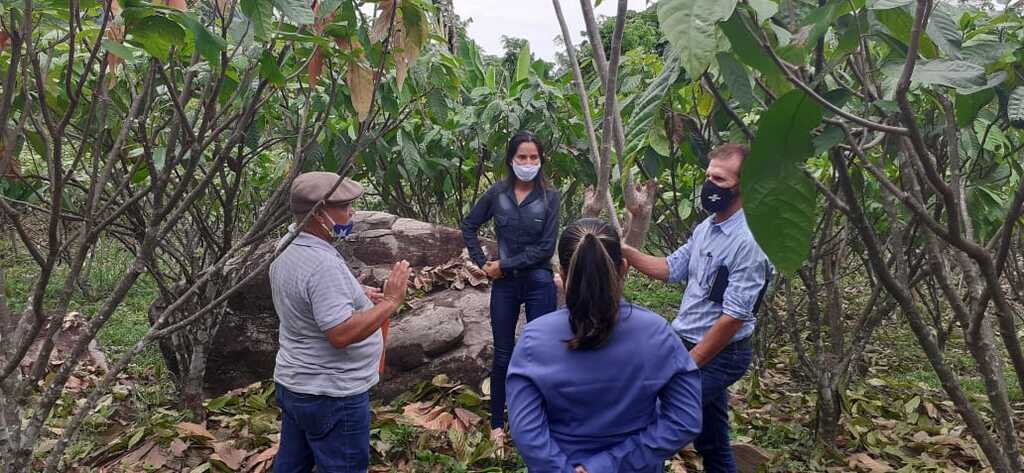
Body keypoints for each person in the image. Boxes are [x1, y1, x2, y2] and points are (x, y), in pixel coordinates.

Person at [506, 218, 702, 473]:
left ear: (563, 274)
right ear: (624, 268)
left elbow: (527, 432)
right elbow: (685, 420)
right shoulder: (658, 334)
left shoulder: (534, 340)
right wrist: (608, 465)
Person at [622, 144, 771, 473]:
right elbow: (670, 269)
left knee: (658, 423)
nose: (709, 185)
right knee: (713, 440)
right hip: (688, 341)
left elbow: (734, 317)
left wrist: (688, 365)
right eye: (708, 176)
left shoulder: (749, 241)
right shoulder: (707, 228)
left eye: (719, 179)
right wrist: (625, 250)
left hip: (720, 352)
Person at [271, 171, 411, 473]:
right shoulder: (322, 265)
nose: (352, 213)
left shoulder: (288, 243)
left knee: (291, 465)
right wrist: (390, 302)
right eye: (344, 207)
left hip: (295, 384)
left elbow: (305, 291)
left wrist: (353, 291)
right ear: (319, 212)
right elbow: (340, 333)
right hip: (331, 396)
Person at [461, 132, 562, 446]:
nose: (529, 163)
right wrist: (481, 261)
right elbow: (469, 225)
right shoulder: (498, 193)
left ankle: (543, 421)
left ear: (541, 160)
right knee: (503, 354)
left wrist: (502, 265)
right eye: (522, 157)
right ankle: (496, 425)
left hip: (539, 282)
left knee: (543, 352)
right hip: (505, 286)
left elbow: (545, 248)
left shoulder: (550, 197)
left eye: (534, 157)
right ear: (511, 160)